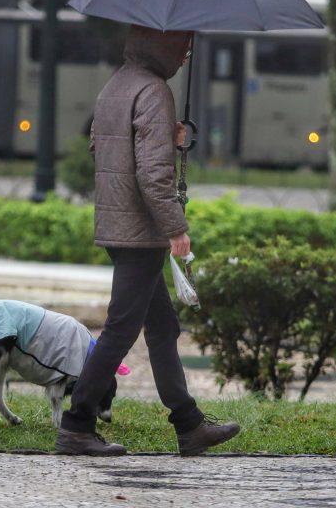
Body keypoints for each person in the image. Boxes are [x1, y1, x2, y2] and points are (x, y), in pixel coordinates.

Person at [55, 25, 240, 456]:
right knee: (121, 329)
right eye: (183, 47)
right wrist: (175, 226)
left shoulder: (116, 85)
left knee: (162, 326)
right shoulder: (154, 91)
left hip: (118, 223)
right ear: (165, 44)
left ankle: (189, 424)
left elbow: (107, 151)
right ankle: (77, 423)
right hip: (142, 230)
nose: (185, 57)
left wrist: (167, 139)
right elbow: (152, 175)